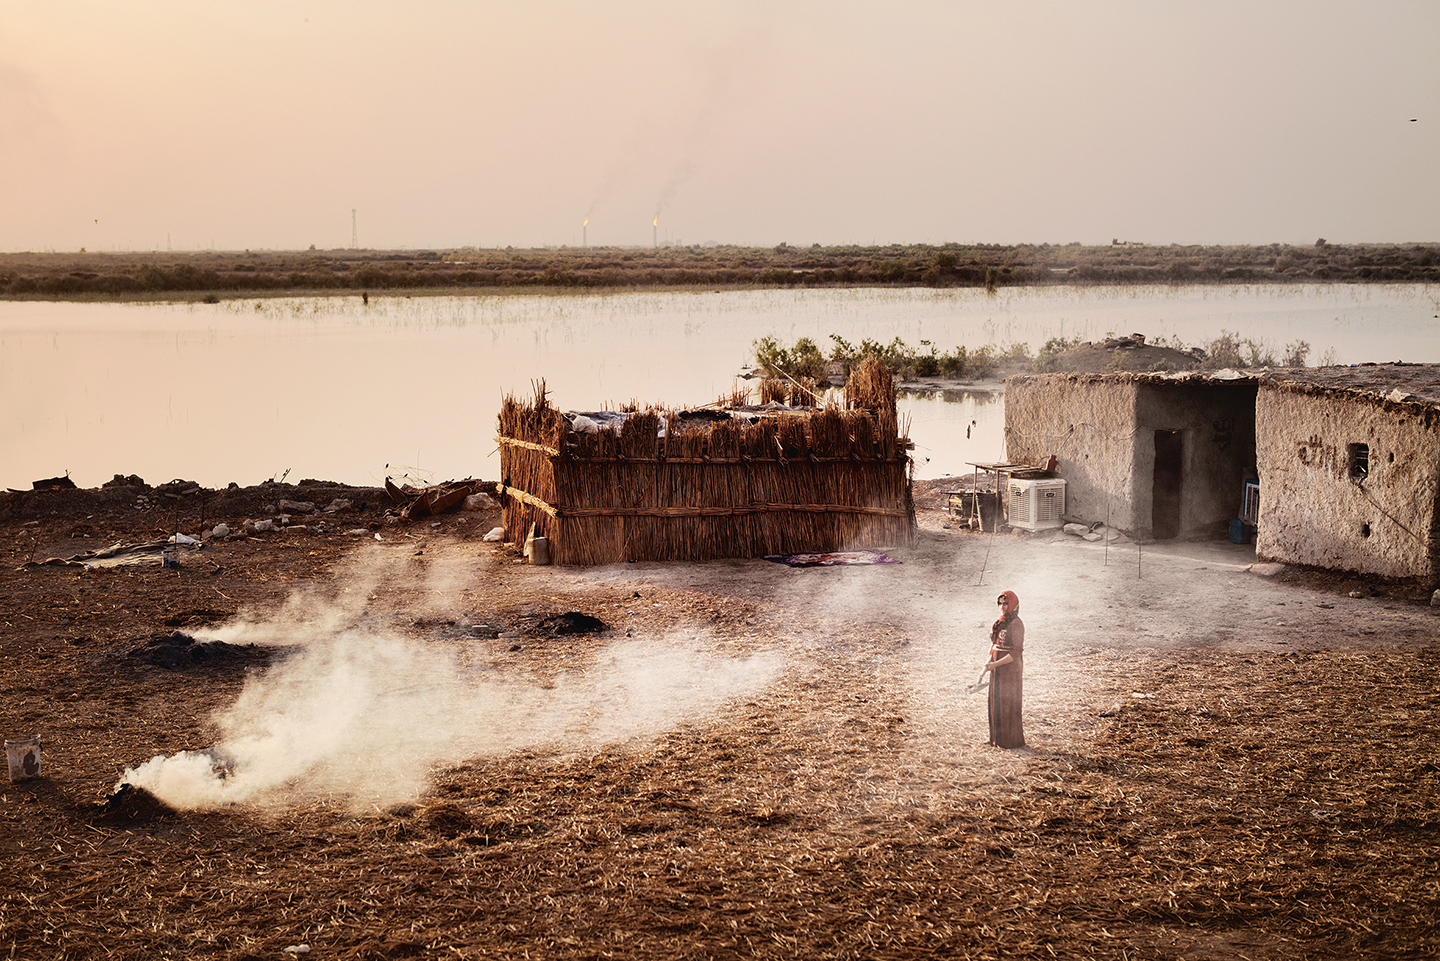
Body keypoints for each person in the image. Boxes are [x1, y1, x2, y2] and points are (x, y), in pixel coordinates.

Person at [984, 590, 1025, 748]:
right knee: (995, 701)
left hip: (1010, 669)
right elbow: (994, 645)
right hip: (997, 667)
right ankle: (996, 739)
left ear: (1013, 604)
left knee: (1007, 702)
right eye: (1000, 603)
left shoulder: (1017, 624)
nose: (1002, 606)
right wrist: (990, 661)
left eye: (1006, 603)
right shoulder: (1001, 621)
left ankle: (1009, 741)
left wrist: (995, 664)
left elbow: (1015, 652)